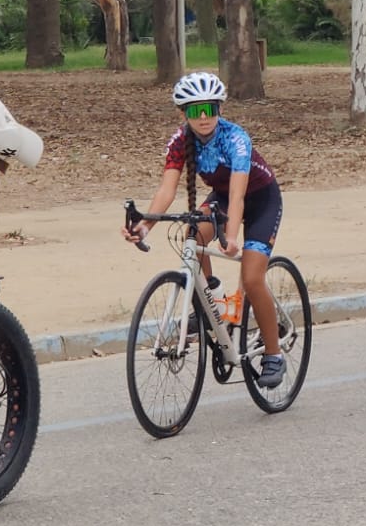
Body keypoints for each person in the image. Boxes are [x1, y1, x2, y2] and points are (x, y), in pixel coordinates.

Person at [122, 71, 289, 389]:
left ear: (219, 110)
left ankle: (273, 353)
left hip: (260, 200)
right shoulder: (179, 142)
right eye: (195, 111)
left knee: (252, 279)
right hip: (223, 198)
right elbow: (166, 192)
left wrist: (230, 236)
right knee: (192, 232)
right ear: (184, 113)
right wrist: (144, 227)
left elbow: (239, 195)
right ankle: (209, 297)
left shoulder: (236, 138)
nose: (203, 118)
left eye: (209, 109)